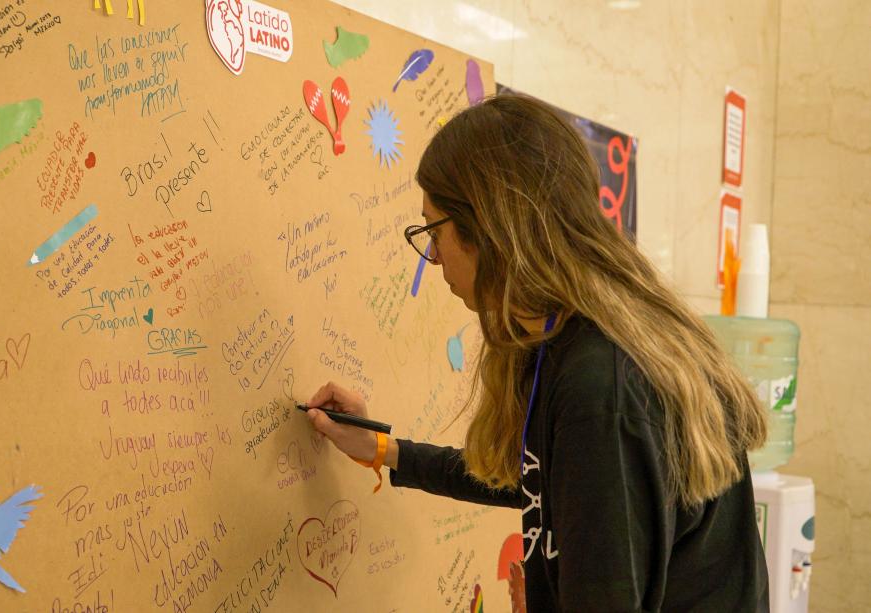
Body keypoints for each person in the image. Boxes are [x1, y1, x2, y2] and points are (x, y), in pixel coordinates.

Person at [303, 93, 770, 612]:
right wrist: (385, 451)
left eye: (434, 231)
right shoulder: (567, 338)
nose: (432, 257)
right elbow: (539, 482)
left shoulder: (603, 384)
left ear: (489, 229)